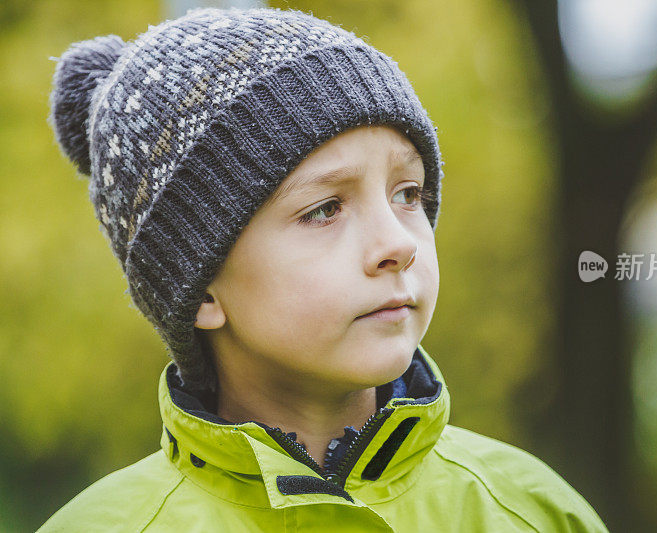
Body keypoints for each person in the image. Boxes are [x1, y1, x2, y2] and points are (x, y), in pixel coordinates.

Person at [40, 6, 609, 532]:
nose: (397, 243)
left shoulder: (531, 510)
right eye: (324, 209)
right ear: (200, 290)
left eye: (408, 193)